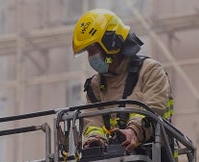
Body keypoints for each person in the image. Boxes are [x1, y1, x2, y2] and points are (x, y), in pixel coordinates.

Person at [72, 8, 173, 152]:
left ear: (110, 43)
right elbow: (93, 122)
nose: (90, 57)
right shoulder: (95, 85)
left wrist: (133, 131)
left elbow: (153, 109)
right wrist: (94, 140)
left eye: (92, 49)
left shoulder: (150, 70)